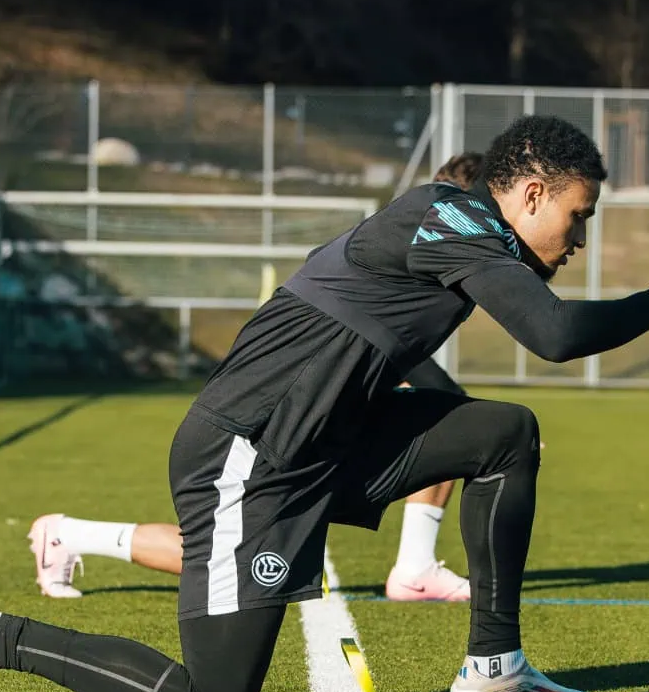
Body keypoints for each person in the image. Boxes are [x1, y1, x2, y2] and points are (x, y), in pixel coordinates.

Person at [0, 115, 649, 692]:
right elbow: (556, 335)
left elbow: (424, 365)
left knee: (504, 432)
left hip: (323, 444)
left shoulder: (463, 231)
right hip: (248, 458)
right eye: (579, 215)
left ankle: (496, 668)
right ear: (532, 194)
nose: (579, 240)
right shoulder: (452, 221)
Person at [26, 154, 491, 605]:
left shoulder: (407, 249)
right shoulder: (404, 253)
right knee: (234, 557)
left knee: (443, 422)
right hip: (267, 422)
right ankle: (67, 535)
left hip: (306, 421)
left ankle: (414, 567)